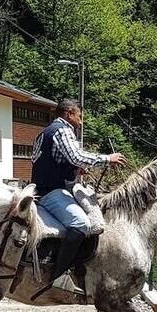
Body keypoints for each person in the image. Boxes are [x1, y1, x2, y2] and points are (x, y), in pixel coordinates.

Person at [31, 99, 127, 294]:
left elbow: (58, 160)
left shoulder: (46, 131)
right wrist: (107, 158)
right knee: (81, 223)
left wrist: (74, 169)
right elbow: (76, 155)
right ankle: (58, 276)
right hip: (51, 191)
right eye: (79, 116)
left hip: (44, 187)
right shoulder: (63, 130)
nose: (80, 122)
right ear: (68, 113)